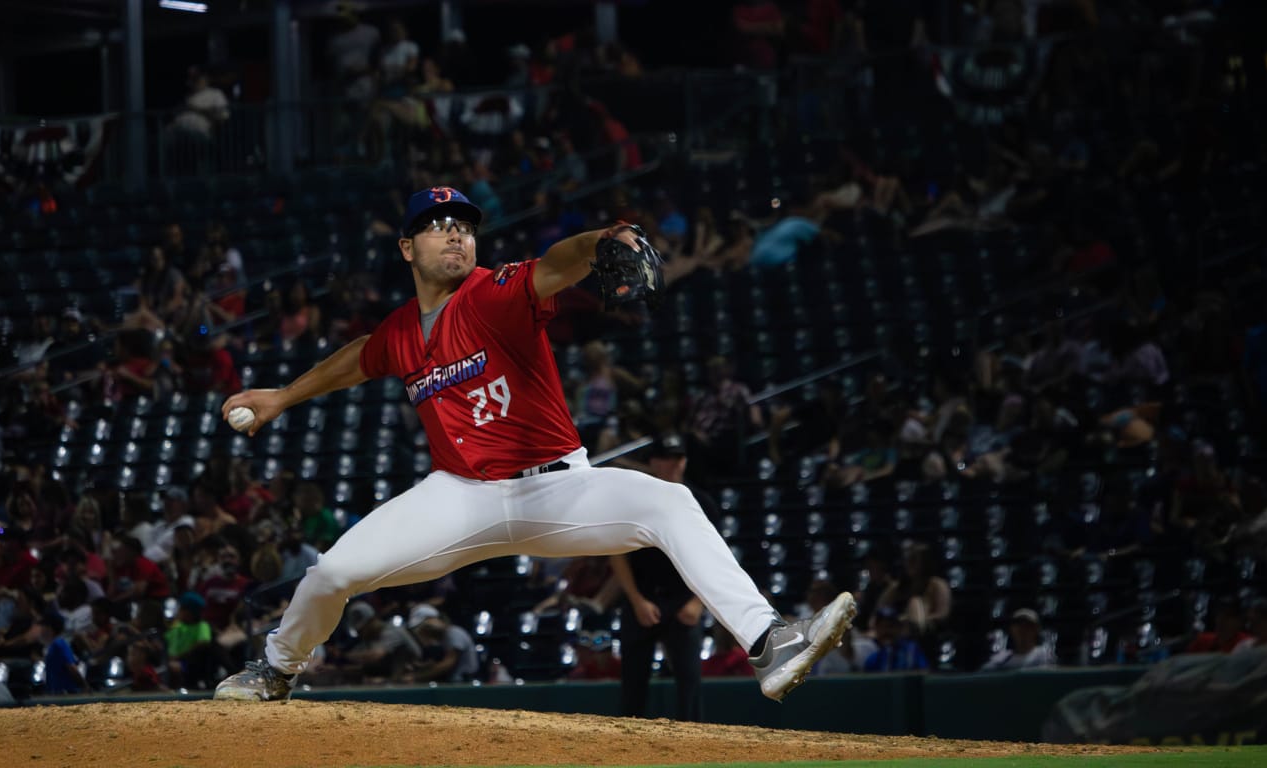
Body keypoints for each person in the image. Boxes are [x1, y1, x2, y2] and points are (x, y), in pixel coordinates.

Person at [214, 187, 856, 704]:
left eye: (463, 224)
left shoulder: (493, 293)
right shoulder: (403, 332)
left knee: (670, 502)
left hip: (559, 489)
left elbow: (559, 262)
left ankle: (771, 642)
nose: (456, 233)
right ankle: (276, 671)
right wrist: (281, 396)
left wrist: (601, 241)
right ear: (408, 247)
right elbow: (358, 358)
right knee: (330, 573)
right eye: (438, 224)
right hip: (460, 497)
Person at [609, 433, 717, 721]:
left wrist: (697, 602)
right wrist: (635, 600)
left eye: (679, 459)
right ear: (654, 462)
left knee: (689, 685)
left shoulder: (701, 502)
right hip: (641, 597)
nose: (674, 465)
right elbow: (616, 552)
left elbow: (716, 560)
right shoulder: (635, 501)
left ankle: (694, 753)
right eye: (668, 459)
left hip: (683, 598)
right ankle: (627, 751)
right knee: (632, 687)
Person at [981, 609, 1057, 671]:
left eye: (1028, 625)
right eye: (1018, 624)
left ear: (1037, 629)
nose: (1022, 628)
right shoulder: (1001, 658)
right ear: (1011, 629)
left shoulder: (1045, 656)